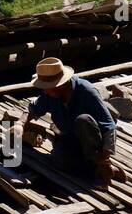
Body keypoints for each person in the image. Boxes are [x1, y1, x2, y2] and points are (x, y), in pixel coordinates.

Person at [19, 58, 126, 187]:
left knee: (83, 120)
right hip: (70, 138)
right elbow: (33, 108)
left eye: (48, 87)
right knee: (58, 161)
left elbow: (109, 126)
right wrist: (20, 123)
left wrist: (104, 158)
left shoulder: (86, 91)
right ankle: (98, 169)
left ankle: (99, 164)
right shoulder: (50, 94)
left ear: (60, 84)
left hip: (93, 142)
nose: (45, 91)